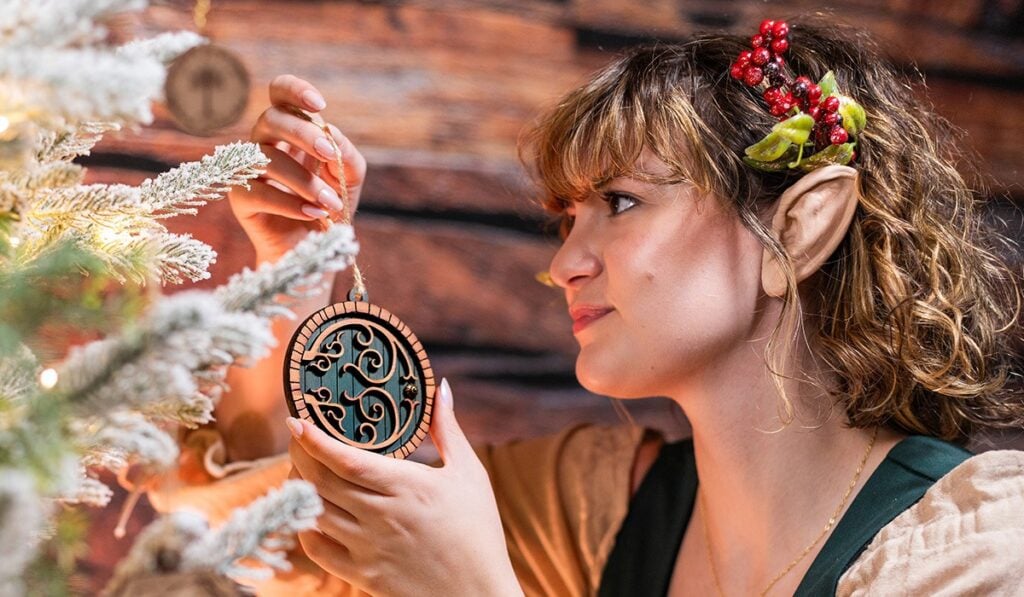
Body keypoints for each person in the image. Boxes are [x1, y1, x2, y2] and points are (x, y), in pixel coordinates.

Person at [149, 16, 1024, 596]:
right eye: (567, 219)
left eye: (623, 203)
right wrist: (297, 275)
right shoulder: (594, 510)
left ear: (799, 228)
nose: (565, 263)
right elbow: (261, 542)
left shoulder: (977, 552)